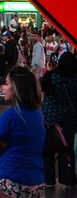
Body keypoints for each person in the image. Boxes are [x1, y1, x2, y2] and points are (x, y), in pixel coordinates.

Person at [0, 66, 45, 198]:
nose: (3, 88)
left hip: (12, 177)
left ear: (17, 88)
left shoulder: (10, 115)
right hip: (35, 179)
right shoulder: (38, 114)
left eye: (7, 84)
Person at [40, 52, 77, 187]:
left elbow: (40, 85)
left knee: (48, 149)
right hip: (69, 119)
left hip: (50, 118)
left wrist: (49, 71)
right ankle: (67, 179)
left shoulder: (51, 76)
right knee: (67, 149)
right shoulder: (75, 78)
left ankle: (48, 179)